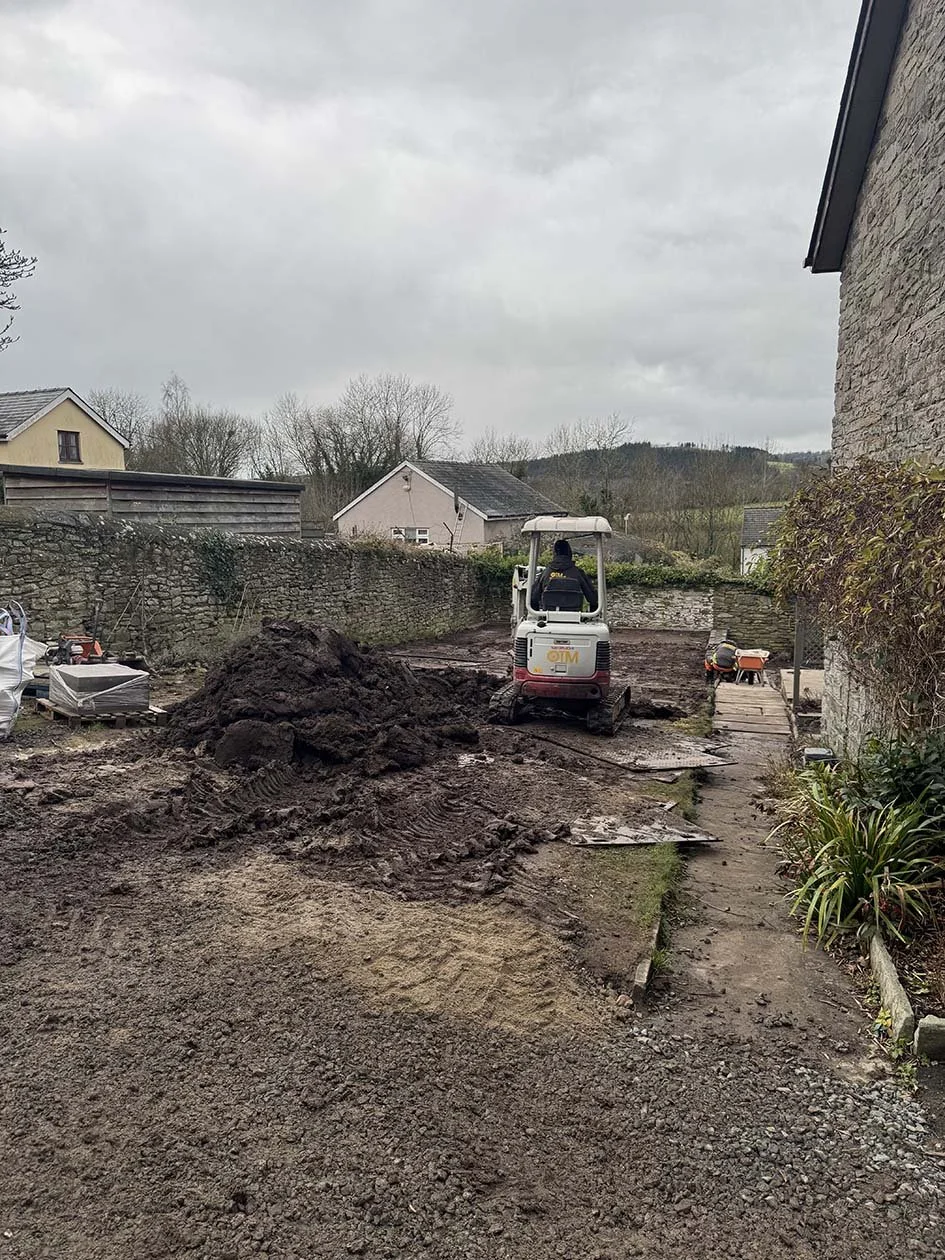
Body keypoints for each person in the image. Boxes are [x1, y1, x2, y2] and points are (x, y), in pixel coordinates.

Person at [531, 539, 598, 612]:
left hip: (549, 617)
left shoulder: (546, 573)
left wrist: (538, 616)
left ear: (554, 554)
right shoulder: (578, 573)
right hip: (574, 617)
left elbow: (533, 598)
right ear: (569, 553)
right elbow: (593, 598)